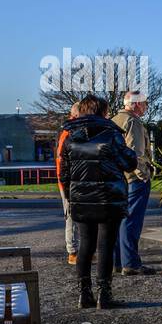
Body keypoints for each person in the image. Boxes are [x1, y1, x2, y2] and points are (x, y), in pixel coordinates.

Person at [59, 95, 138, 309]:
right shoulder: (112, 134)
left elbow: (64, 173)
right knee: (105, 246)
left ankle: (84, 295)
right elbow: (129, 163)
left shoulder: (70, 136)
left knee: (85, 246)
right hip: (108, 198)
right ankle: (105, 295)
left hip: (82, 199)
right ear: (103, 112)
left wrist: (71, 194)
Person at [112, 90, 153, 276]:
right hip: (134, 178)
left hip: (117, 177)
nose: (146, 107)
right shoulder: (133, 122)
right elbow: (135, 152)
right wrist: (143, 174)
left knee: (119, 220)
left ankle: (118, 262)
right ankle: (131, 263)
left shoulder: (114, 120)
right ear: (136, 104)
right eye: (144, 103)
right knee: (132, 221)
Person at [55, 102, 80, 264]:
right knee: (71, 216)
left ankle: (76, 251)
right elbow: (63, 161)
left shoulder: (68, 131)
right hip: (69, 182)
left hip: (68, 180)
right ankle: (72, 252)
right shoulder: (70, 132)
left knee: (73, 216)